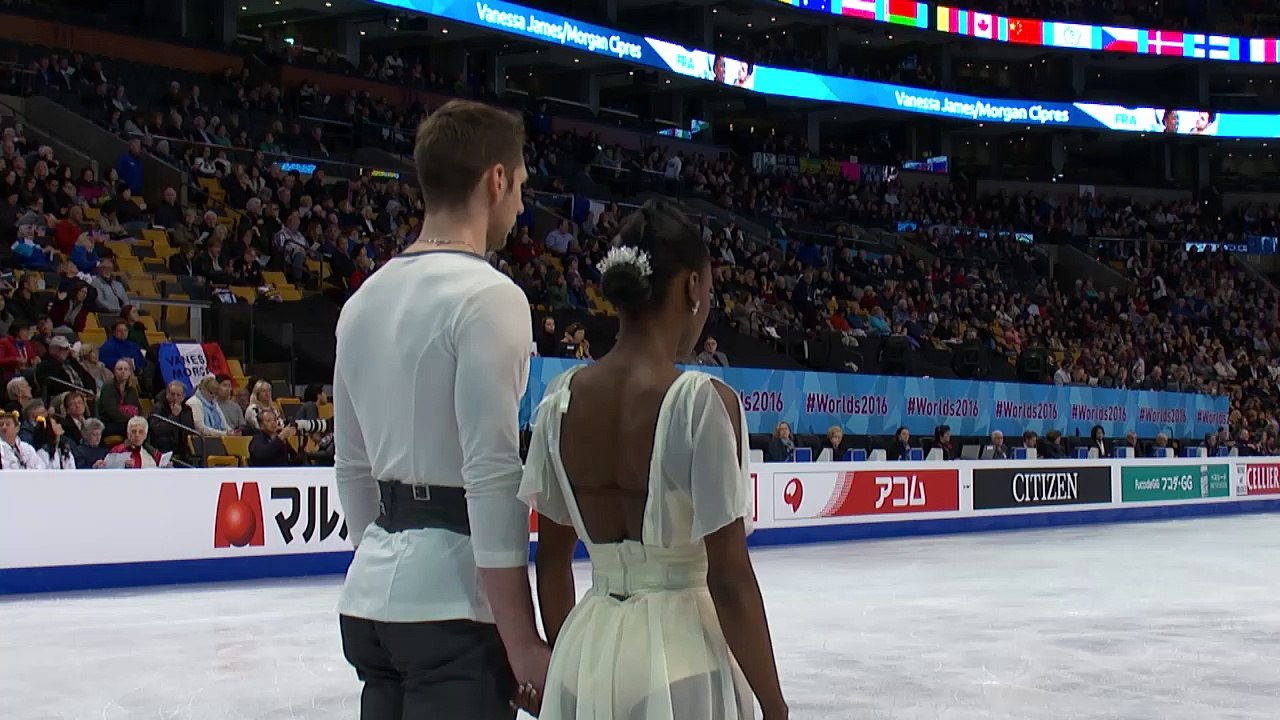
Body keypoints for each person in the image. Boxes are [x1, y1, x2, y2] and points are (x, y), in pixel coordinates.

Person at [518, 199, 786, 720]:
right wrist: (775, 707)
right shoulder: (701, 402)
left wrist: (569, 664)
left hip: (588, 651)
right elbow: (728, 577)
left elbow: (551, 560)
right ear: (690, 287)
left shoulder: (559, 399)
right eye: (707, 288)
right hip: (681, 652)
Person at [333, 100, 547, 720]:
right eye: (521, 186)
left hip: (372, 605)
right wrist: (522, 641)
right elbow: (490, 475)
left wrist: (385, 567)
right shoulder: (490, 297)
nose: (522, 206)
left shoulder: (363, 300)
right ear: (496, 179)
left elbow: (352, 469)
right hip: (454, 613)